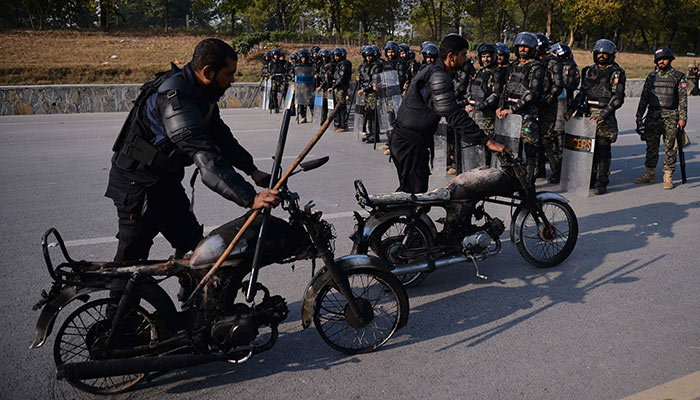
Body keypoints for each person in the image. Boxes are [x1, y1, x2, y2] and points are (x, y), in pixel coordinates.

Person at [106, 38, 279, 263]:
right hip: (137, 185)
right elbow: (206, 159)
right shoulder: (175, 100)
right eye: (229, 74)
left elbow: (220, 136)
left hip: (164, 182)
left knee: (196, 247)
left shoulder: (200, 92)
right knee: (131, 263)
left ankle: (193, 296)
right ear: (208, 71)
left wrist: (252, 170)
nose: (232, 81)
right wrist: (250, 198)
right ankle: (118, 299)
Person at [389, 34, 510, 193]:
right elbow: (453, 115)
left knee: (410, 193)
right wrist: (487, 141)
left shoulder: (434, 71)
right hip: (410, 144)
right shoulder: (438, 76)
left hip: (409, 141)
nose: (466, 58)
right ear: (451, 57)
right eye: (463, 54)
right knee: (414, 199)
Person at [566, 39, 626, 195]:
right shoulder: (588, 71)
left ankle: (602, 180)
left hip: (605, 116)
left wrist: (603, 114)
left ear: (611, 55)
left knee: (603, 149)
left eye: (604, 54)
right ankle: (590, 178)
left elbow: (618, 98)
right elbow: (582, 93)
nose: (601, 56)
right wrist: (571, 110)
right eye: (598, 53)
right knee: (587, 149)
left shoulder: (616, 73)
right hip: (587, 114)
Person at [633, 47, 688, 189]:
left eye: (663, 59)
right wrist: (639, 115)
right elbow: (644, 98)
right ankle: (650, 173)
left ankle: (668, 174)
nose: (661, 62)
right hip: (652, 115)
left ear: (670, 59)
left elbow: (683, 99)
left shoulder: (678, 76)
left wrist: (682, 118)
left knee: (670, 147)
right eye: (658, 59)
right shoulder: (651, 77)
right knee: (651, 146)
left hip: (670, 116)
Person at [496, 32, 545, 184]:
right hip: (509, 115)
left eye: (526, 47)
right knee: (509, 150)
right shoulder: (513, 66)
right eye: (520, 46)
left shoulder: (536, 67)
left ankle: (529, 184)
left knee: (530, 151)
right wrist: (501, 106)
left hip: (527, 116)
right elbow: (506, 88)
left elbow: (532, 93)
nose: (523, 49)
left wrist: (513, 109)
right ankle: (512, 180)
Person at [466, 42, 505, 166]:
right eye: (483, 57)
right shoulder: (480, 72)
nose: (486, 59)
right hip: (476, 115)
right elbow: (472, 89)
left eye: (488, 56)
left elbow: (496, 94)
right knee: (478, 147)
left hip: (488, 117)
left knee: (489, 146)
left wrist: (480, 106)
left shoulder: (496, 73)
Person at [535, 34, 564, 183]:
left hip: (548, 106)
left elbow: (558, 85)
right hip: (533, 104)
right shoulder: (532, 61)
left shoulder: (553, 62)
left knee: (547, 139)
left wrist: (547, 102)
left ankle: (556, 171)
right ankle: (539, 171)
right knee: (534, 139)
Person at [357, 45, 383, 143]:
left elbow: (374, 82)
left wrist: (364, 89)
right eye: (367, 56)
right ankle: (370, 133)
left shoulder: (376, 66)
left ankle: (375, 135)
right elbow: (365, 79)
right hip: (366, 93)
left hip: (373, 93)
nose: (369, 58)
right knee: (368, 113)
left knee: (373, 115)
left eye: (371, 56)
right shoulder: (365, 66)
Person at [331, 47, 352, 132]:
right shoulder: (338, 64)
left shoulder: (345, 64)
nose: (336, 57)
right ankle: (338, 123)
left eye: (338, 56)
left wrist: (334, 85)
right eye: (335, 56)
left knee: (342, 106)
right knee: (337, 106)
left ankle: (343, 125)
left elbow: (342, 77)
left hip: (341, 87)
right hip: (337, 87)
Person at [318, 49, 335, 123]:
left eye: (325, 57)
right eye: (323, 57)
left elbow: (327, 78)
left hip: (329, 86)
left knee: (330, 104)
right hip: (324, 87)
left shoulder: (331, 65)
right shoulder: (322, 65)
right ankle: (323, 119)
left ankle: (330, 119)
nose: (324, 59)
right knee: (324, 104)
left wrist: (321, 86)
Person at [268, 48, 287, 113]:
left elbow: (286, 68)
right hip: (274, 79)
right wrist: (270, 75)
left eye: (277, 55)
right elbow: (268, 71)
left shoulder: (282, 62)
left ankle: (285, 106)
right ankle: (275, 107)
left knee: (284, 92)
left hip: (281, 79)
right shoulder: (271, 63)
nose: (276, 56)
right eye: (274, 55)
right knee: (273, 93)